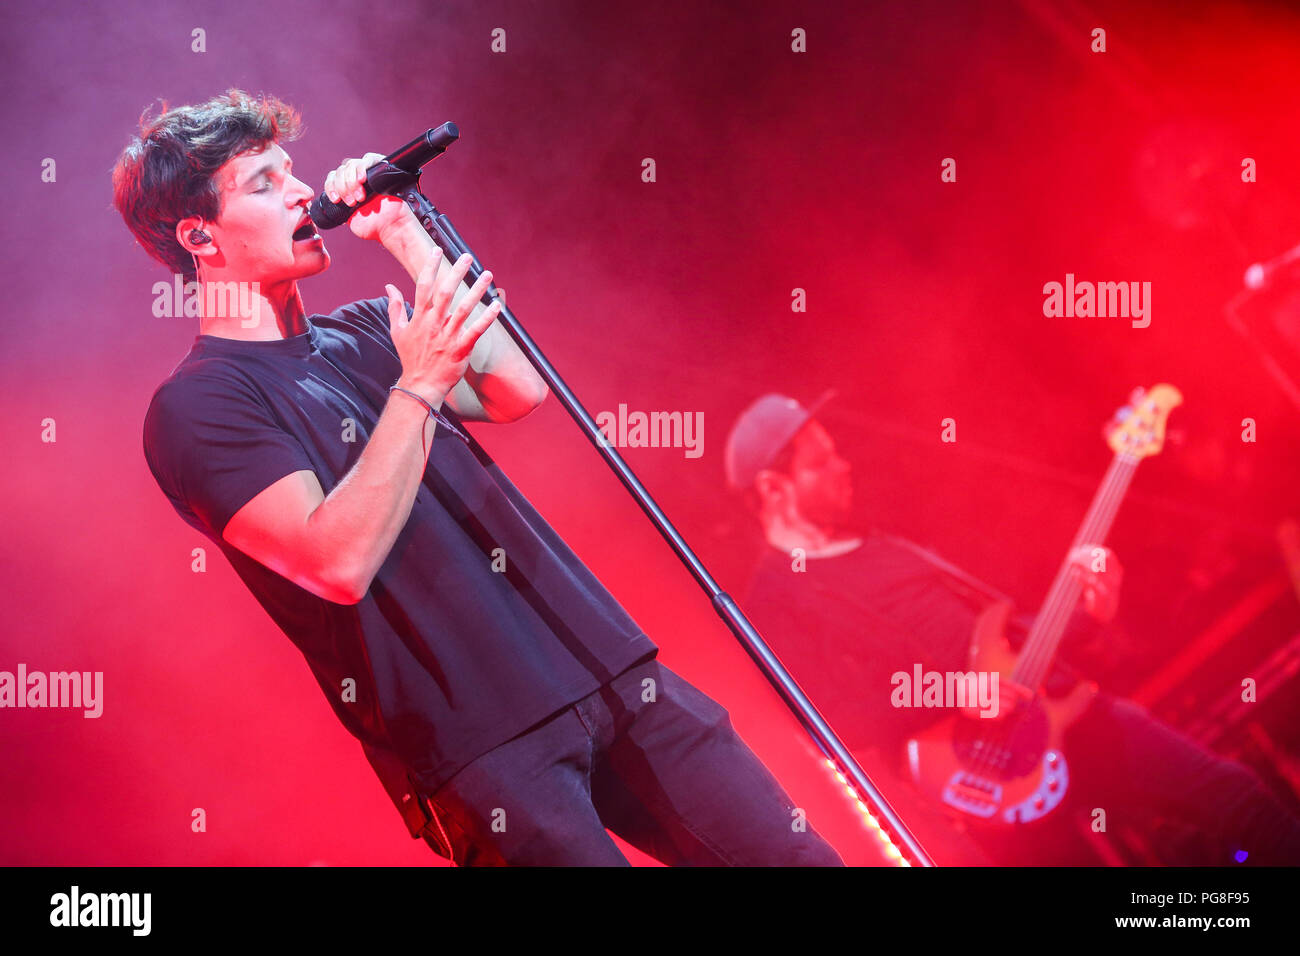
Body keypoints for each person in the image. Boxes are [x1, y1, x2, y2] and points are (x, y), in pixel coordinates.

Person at [114, 89, 843, 867]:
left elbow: (513, 389)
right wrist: (419, 383)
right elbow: (335, 559)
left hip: (602, 661)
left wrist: (403, 234)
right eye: (264, 182)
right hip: (481, 744)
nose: (302, 191)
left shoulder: (366, 329)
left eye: (291, 170)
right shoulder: (198, 405)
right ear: (199, 235)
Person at [725, 391, 1300, 865]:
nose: (842, 465)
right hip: (980, 781)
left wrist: (1088, 616)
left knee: (1235, 797)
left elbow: (1003, 635)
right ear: (774, 490)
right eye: (819, 462)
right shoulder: (775, 601)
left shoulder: (883, 547)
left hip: (1055, 710)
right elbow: (831, 718)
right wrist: (953, 694)